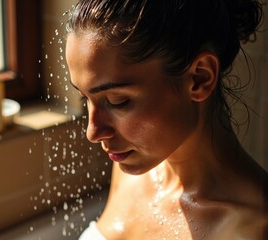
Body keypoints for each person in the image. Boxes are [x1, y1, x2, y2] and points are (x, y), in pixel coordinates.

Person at [64, 0, 268, 239]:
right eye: (84, 98)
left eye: (117, 101)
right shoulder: (131, 169)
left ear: (199, 78)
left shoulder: (253, 227)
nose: (92, 132)